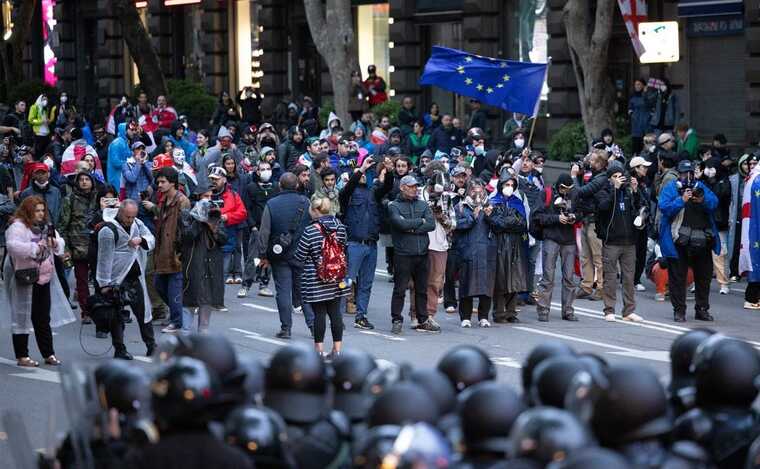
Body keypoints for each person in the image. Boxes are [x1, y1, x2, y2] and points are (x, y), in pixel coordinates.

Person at [3, 196, 73, 367]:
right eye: (37, 210)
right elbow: (12, 246)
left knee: (42, 317)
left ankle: (48, 353)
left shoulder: (46, 227)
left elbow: (59, 243)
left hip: (44, 276)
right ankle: (22, 356)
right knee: (22, 316)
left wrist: (55, 243)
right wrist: (36, 248)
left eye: (42, 210)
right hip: (24, 276)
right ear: (28, 211)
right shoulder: (18, 226)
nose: (41, 214)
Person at [658, 159, 719, 322]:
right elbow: (664, 208)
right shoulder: (672, 188)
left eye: (690, 173)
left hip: (702, 239)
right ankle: (679, 311)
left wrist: (702, 199)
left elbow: (714, 203)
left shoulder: (700, 186)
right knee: (677, 277)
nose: (688, 176)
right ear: (679, 173)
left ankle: (702, 309)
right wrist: (682, 200)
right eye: (685, 173)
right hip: (679, 240)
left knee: (704, 277)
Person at [95, 200, 157, 359]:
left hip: (134, 277)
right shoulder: (108, 230)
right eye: (127, 217)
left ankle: (152, 345)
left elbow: (150, 237)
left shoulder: (137, 223)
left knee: (143, 312)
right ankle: (119, 349)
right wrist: (104, 284)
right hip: (116, 279)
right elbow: (104, 259)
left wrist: (141, 240)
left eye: (132, 216)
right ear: (120, 213)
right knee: (116, 316)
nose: (130, 220)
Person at [339, 156, 393, 331]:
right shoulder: (347, 194)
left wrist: (390, 170)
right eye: (358, 174)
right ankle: (336, 316)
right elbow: (348, 188)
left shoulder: (372, 192)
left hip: (371, 244)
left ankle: (361, 316)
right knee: (347, 281)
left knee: (366, 283)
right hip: (354, 244)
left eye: (363, 173)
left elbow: (387, 187)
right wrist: (361, 168)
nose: (362, 175)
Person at [257, 173, 312, 338]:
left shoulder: (271, 204)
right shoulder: (306, 202)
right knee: (305, 291)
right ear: (297, 186)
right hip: (302, 253)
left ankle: (286, 328)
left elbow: (264, 232)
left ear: (280, 185)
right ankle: (313, 325)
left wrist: (263, 255)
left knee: (283, 291)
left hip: (279, 254)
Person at [295, 195, 349, 359]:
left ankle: (318, 350)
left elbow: (300, 255)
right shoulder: (340, 227)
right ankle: (337, 349)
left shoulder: (311, 230)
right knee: (335, 312)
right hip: (338, 275)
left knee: (319, 314)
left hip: (316, 276)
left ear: (316, 210)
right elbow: (344, 247)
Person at [388, 175, 440, 334]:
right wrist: (420, 221)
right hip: (403, 254)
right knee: (400, 289)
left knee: (422, 289)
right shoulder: (394, 206)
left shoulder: (423, 204)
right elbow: (400, 224)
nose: (415, 189)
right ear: (402, 187)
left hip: (422, 253)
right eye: (411, 186)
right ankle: (396, 319)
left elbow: (431, 224)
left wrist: (411, 227)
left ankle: (423, 319)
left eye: (416, 186)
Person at [141, 167, 191, 333]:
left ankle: (177, 321)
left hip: (176, 253)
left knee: (174, 288)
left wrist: (181, 251)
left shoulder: (182, 201)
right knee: (158, 284)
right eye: (158, 181)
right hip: (162, 250)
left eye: (163, 182)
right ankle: (180, 314)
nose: (159, 184)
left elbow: (186, 229)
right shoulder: (163, 201)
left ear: (173, 183)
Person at [595, 162, 644, 322]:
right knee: (610, 277)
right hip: (611, 241)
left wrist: (636, 191)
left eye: (620, 176)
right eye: (614, 177)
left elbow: (640, 208)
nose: (618, 180)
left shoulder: (628, 192)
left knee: (629, 278)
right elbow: (603, 207)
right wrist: (614, 190)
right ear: (609, 179)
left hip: (629, 241)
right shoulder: (604, 192)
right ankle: (609, 309)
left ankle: (629, 311)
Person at [181, 185, 228, 333]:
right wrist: (198, 220)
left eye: (210, 197)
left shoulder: (215, 215)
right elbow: (186, 236)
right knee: (189, 299)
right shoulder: (187, 215)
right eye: (205, 196)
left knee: (207, 299)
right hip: (193, 263)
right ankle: (185, 333)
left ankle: (203, 332)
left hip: (211, 265)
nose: (208, 200)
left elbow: (224, 238)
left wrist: (212, 227)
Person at [532, 173, 579, 321]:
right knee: (548, 276)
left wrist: (574, 217)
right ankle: (543, 310)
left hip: (569, 240)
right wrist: (556, 218)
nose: (567, 191)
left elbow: (581, 211)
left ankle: (568, 311)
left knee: (569, 278)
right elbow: (537, 216)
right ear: (559, 186)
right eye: (564, 188)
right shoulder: (546, 193)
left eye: (569, 188)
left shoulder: (573, 195)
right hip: (551, 237)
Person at [454, 180, 496, 328]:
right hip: (467, 251)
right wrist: (472, 216)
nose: (477, 194)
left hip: (487, 250)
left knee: (486, 285)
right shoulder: (460, 207)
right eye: (473, 191)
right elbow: (456, 225)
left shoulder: (491, 205)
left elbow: (499, 225)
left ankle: (483, 316)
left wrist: (490, 216)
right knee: (466, 285)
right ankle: (465, 317)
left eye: (480, 191)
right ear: (468, 192)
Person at [59, 171, 99, 324]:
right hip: (78, 246)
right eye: (81, 179)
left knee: (99, 280)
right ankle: (86, 311)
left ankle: (100, 309)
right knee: (81, 282)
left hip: (97, 245)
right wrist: (66, 249)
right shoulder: (70, 200)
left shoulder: (98, 198)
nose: (83, 182)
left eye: (87, 179)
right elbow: (63, 226)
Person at [490, 173, 529, 323]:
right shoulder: (494, 201)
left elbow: (522, 224)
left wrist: (507, 223)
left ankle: (511, 312)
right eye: (507, 184)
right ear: (501, 185)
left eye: (512, 185)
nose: (509, 188)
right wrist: (510, 222)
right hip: (499, 244)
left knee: (514, 277)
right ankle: (499, 313)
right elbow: (495, 223)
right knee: (500, 279)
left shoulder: (517, 201)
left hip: (515, 245)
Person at [239, 161, 278, 299]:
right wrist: (252, 226)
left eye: (268, 168)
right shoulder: (251, 188)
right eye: (263, 169)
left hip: (272, 229)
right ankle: (246, 285)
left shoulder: (275, 188)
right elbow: (246, 208)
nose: (266, 171)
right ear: (257, 171)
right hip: (257, 228)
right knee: (253, 258)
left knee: (267, 258)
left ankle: (264, 284)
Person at [574, 149, 609, 301]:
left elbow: (580, 192)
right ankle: (586, 285)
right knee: (585, 256)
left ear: (601, 163)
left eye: (593, 160)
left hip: (595, 222)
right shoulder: (595, 176)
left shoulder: (601, 178)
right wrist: (581, 175)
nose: (590, 163)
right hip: (586, 219)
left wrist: (574, 176)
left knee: (598, 257)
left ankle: (601, 287)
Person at [207, 165, 248, 285]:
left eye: (216, 179)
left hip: (226, 237)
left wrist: (227, 217)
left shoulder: (233, 195)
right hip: (208, 239)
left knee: (221, 275)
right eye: (212, 179)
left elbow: (242, 213)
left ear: (224, 179)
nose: (214, 181)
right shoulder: (207, 193)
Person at [629, 156, 653, 291]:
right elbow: (633, 203)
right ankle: (633, 279)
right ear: (636, 168)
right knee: (634, 252)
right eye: (643, 167)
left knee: (642, 251)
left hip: (643, 221)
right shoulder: (630, 182)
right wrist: (634, 190)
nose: (646, 169)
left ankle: (635, 278)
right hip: (633, 223)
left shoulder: (644, 182)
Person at [629, 79, 651, 156]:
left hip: (646, 124)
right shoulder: (633, 96)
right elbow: (630, 108)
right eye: (636, 84)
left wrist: (645, 93)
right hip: (636, 124)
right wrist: (632, 114)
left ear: (643, 85)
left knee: (646, 146)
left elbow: (650, 105)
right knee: (636, 146)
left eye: (639, 84)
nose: (637, 86)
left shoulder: (648, 95)